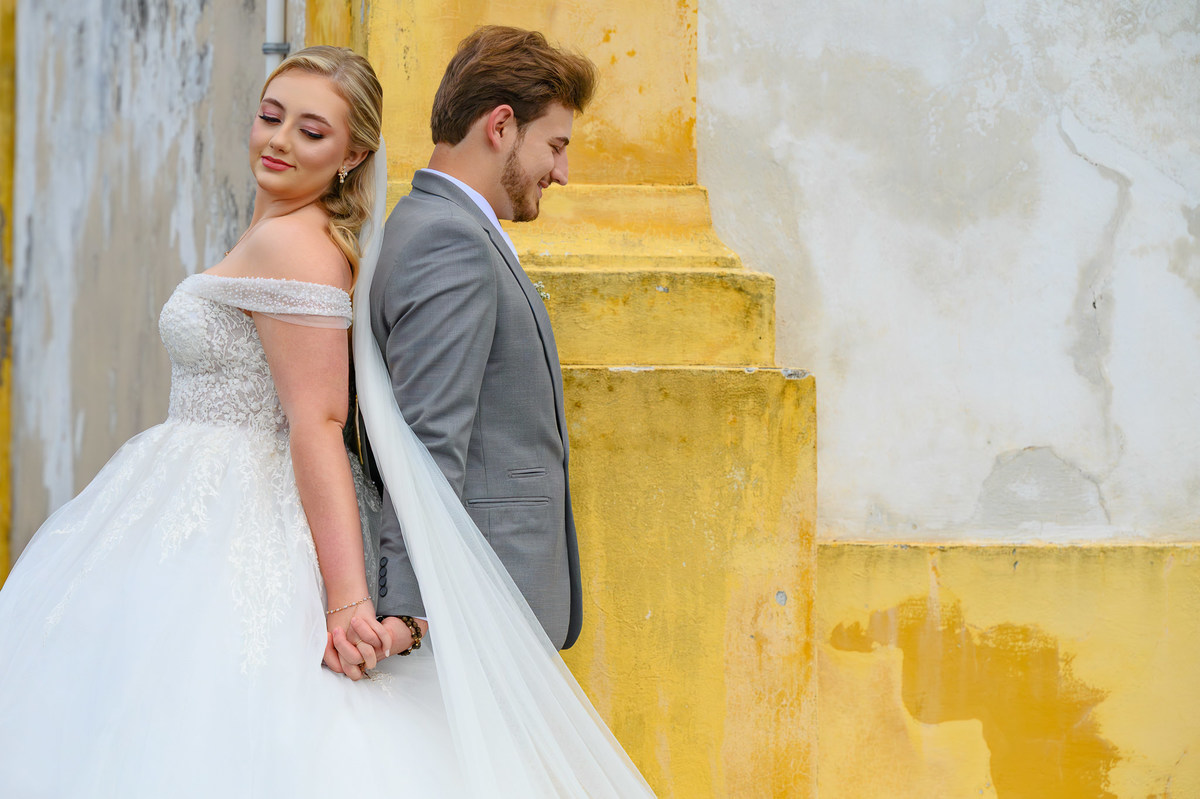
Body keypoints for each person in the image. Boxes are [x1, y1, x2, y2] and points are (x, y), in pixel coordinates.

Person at [0, 43, 653, 798]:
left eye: (310, 132)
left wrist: (352, 602)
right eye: (270, 117)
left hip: (245, 510)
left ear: (354, 154)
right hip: (196, 505)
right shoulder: (297, 235)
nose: (278, 141)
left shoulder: (296, 245)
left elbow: (319, 420)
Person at [360, 25, 594, 661]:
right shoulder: (449, 241)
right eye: (555, 145)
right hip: (477, 604)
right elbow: (426, 439)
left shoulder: (441, 225)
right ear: (501, 126)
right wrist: (405, 610)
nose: (562, 173)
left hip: (489, 595)